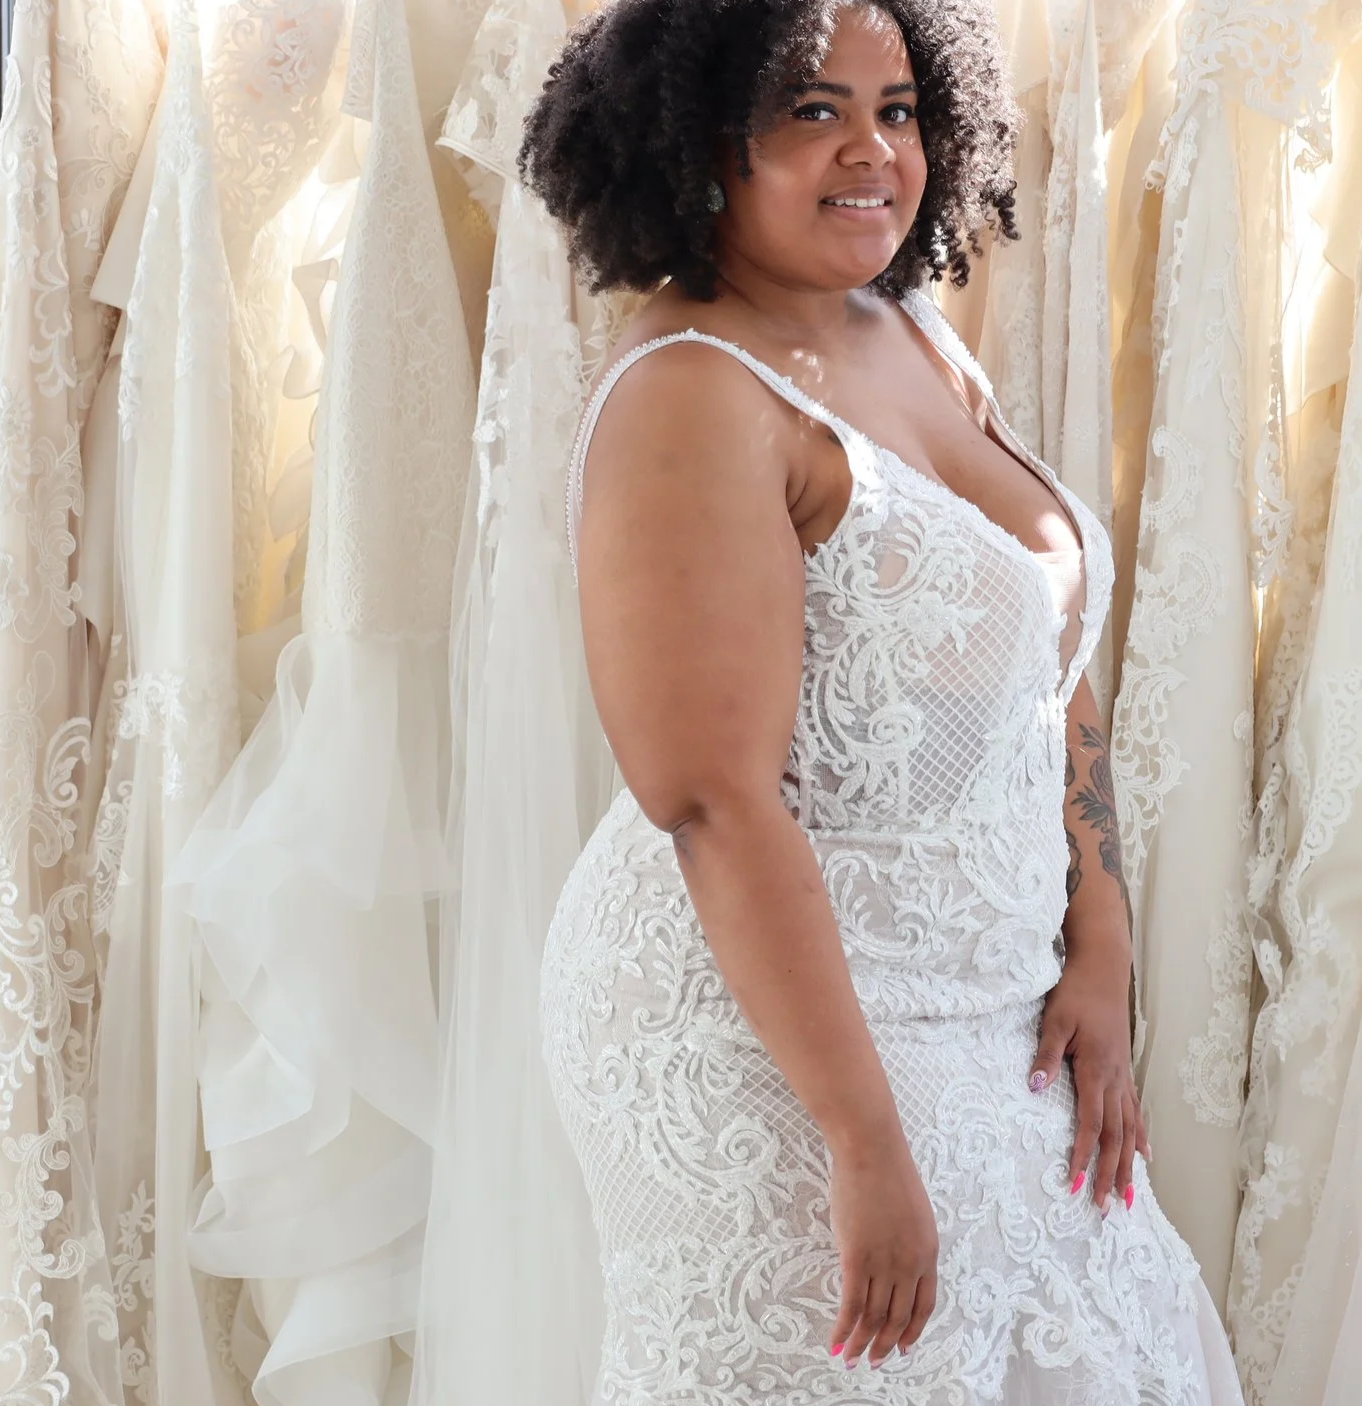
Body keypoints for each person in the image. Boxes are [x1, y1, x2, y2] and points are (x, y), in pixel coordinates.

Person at [523, 0, 1244, 1398]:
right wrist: (861, 1135)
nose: (873, 151)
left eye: (899, 108)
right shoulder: (689, 394)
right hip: (758, 1033)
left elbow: (1048, 643)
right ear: (696, 137)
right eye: (812, 108)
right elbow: (711, 799)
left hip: (987, 1005)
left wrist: (1100, 936)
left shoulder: (911, 333)